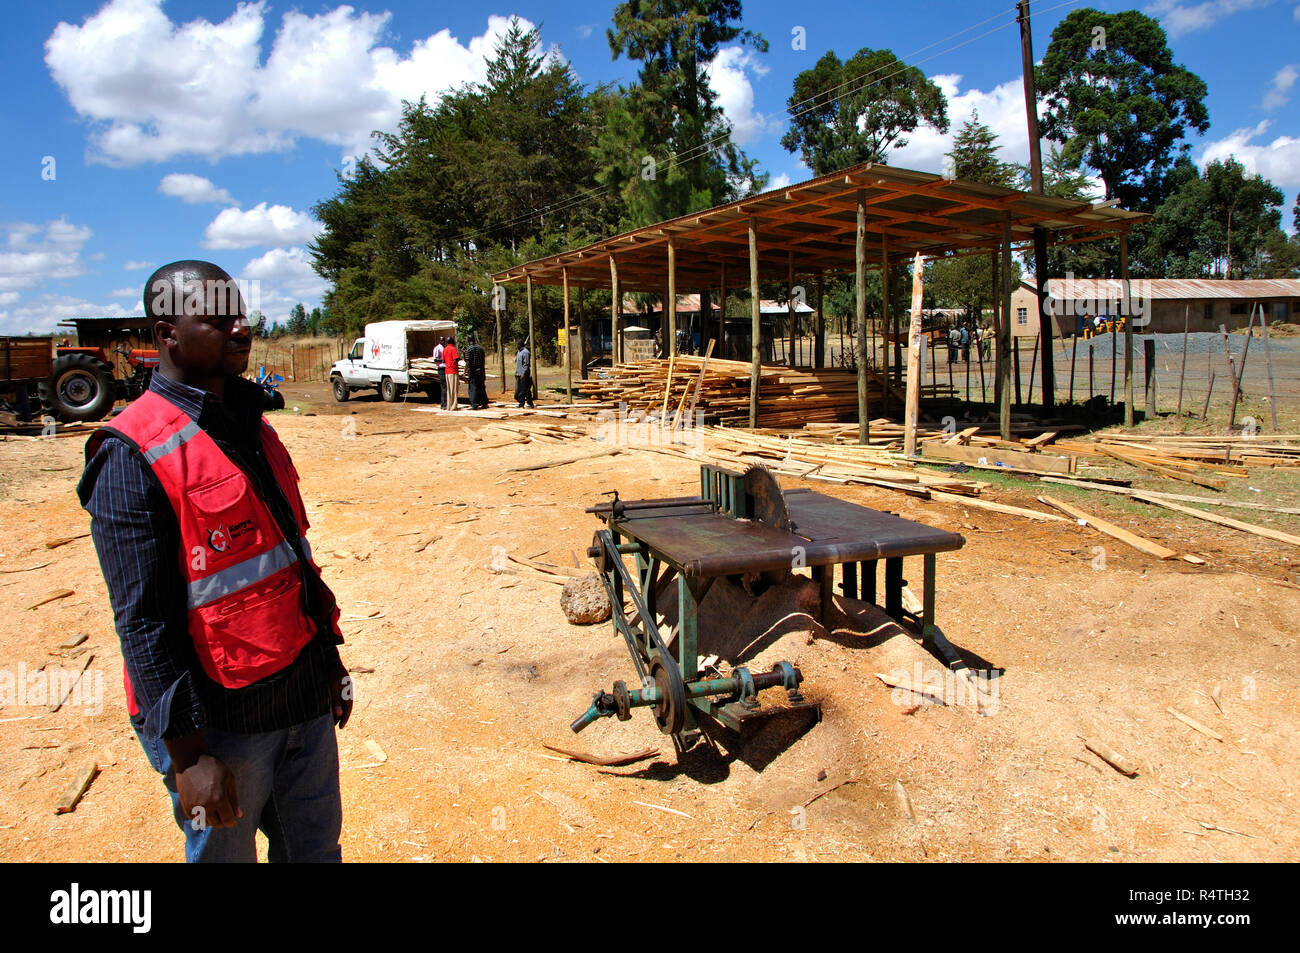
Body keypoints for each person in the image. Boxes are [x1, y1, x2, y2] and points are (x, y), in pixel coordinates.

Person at [77, 260, 351, 863]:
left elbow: (293, 563)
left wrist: (330, 664)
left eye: (241, 314)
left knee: (315, 851)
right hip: (221, 726)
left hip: (303, 699)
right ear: (165, 332)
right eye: (217, 316)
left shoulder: (254, 426)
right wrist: (188, 755)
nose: (239, 328)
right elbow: (143, 622)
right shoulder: (131, 451)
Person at [464, 334, 488, 409]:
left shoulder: (469, 349)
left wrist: (465, 371)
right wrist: (483, 369)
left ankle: (474, 403)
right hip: (480, 370)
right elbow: (483, 360)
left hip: (473, 370)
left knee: (473, 387)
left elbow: (467, 361)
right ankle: (484, 403)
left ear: (469, 340)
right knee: (481, 386)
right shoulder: (480, 348)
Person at [442, 335, 460, 410]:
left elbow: (443, 360)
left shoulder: (445, 349)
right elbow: (455, 359)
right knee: (454, 389)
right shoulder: (453, 349)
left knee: (449, 389)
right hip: (453, 370)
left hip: (447, 371)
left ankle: (449, 405)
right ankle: (453, 406)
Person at [514, 339, 534, 408]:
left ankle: (522, 403)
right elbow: (518, 363)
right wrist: (516, 372)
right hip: (519, 373)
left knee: (524, 389)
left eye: (518, 345)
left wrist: (523, 373)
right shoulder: (519, 352)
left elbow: (526, 364)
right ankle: (528, 402)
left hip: (524, 373)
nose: (517, 346)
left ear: (521, 345)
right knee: (521, 389)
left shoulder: (525, 352)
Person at [432, 337, 446, 406]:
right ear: (439, 341)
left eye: (443, 340)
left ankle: (444, 401)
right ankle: (443, 403)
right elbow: (435, 360)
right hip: (441, 368)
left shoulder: (444, 348)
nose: (443, 341)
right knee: (444, 386)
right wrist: (443, 361)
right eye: (441, 340)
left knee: (445, 386)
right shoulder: (437, 348)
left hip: (445, 368)